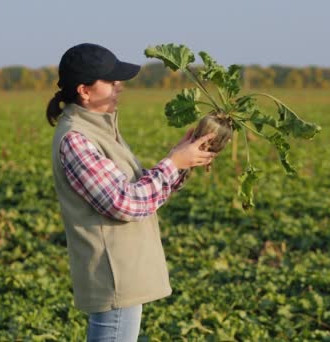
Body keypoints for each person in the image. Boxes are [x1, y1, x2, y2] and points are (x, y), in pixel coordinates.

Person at [46, 43, 217, 341]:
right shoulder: (76, 139)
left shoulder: (100, 128)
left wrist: (181, 160)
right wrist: (173, 163)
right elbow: (125, 203)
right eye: (111, 82)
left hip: (122, 275)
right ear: (84, 90)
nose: (119, 87)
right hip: (113, 278)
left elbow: (140, 190)